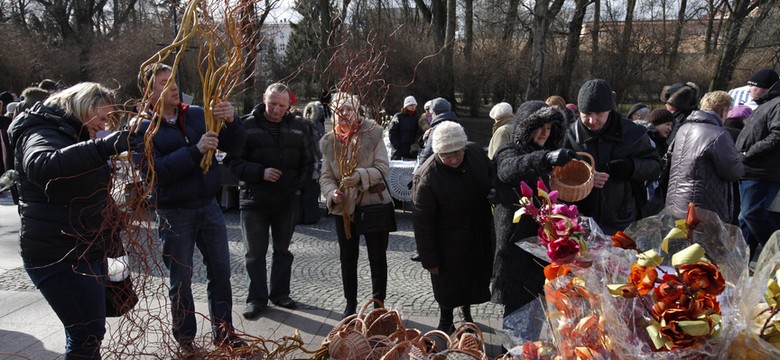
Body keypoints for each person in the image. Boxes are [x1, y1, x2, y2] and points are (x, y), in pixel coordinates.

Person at [8, 82, 132, 358]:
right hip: (58, 253)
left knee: (87, 335)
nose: (103, 126)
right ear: (83, 107)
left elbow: (80, 186)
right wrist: (103, 146)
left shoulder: (71, 132)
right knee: (86, 335)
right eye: (100, 119)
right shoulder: (40, 130)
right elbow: (43, 165)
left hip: (82, 246)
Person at [135, 63, 247, 354]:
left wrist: (233, 122)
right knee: (181, 279)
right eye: (163, 82)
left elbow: (236, 146)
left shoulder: (196, 114)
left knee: (221, 271)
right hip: (174, 213)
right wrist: (195, 150)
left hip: (208, 207)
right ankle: (185, 338)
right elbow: (155, 173)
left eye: (173, 79)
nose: (173, 86)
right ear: (149, 91)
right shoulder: (143, 128)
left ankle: (223, 332)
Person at [224, 83, 312, 319]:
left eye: (281, 106)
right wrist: (259, 173)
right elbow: (231, 162)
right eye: (272, 104)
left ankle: (280, 293)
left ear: (288, 105)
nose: (276, 110)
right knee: (254, 252)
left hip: (286, 200)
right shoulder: (245, 125)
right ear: (264, 98)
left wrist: (298, 186)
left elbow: (308, 162)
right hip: (254, 200)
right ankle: (256, 298)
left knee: (283, 250)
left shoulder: (298, 127)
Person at [492, 104, 574, 317]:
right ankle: (509, 351)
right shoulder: (508, 151)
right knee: (517, 307)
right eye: (539, 127)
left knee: (539, 306)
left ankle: (531, 350)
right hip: (516, 244)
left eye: (549, 127)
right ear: (525, 128)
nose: (545, 133)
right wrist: (545, 159)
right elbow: (509, 169)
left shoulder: (547, 156)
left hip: (541, 246)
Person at [413, 121, 494, 333]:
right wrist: (429, 258)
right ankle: (445, 319)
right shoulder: (427, 176)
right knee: (447, 284)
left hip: (476, 232)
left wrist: (494, 191)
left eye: (457, 153)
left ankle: (466, 314)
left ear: (464, 147)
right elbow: (422, 223)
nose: (454, 159)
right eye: (446, 156)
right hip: (446, 242)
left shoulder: (475, 153)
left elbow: (492, 175)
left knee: (472, 278)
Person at [319, 92, 392, 318]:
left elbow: (382, 168)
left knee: (377, 258)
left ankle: (378, 306)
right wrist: (332, 194)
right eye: (339, 110)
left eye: (348, 109)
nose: (344, 114)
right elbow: (325, 176)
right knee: (347, 258)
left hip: (373, 204)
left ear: (357, 111)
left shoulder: (372, 133)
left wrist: (360, 176)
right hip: (345, 209)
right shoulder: (330, 141)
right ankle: (350, 305)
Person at [564, 79, 661, 234]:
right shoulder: (568, 136)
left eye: (599, 114)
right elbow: (554, 174)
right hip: (580, 220)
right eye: (587, 114)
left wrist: (631, 167)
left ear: (609, 110)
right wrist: (584, 178)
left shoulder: (633, 133)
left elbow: (655, 166)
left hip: (622, 220)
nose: (592, 120)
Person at [666, 91, 744, 223]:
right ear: (724, 110)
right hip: (703, 204)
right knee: (703, 242)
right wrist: (741, 160)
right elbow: (732, 171)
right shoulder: (719, 134)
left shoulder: (683, 129)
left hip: (676, 200)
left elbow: (668, 156)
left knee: (681, 240)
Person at [735, 68, 780, 258]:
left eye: (753, 86)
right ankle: (742, 261)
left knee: (752, 214)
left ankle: (776, 252)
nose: (749, 89)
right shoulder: (765, 104)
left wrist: (748, 153)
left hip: (762, 171)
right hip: (750, 170)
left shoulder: (776, 104)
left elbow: (777, 135)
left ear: (764, 88)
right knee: (744, 218)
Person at [298, 100, 327, 225]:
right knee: (310, 193)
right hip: (313, 164)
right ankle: (310, 217)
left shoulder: (300, 125)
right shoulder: (316, 126)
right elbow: (318, 148)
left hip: (303, 165)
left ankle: (303, 217)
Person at [388, 95, 421, 160]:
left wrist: (416, 145)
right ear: (406, 106)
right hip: (399, 152)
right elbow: (392, 132)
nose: (413, 107)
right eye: (411, 105)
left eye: (414, 105)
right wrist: (396, 145)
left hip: (412, 151)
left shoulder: (417, 118)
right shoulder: (398, 117)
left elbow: (419, 133)